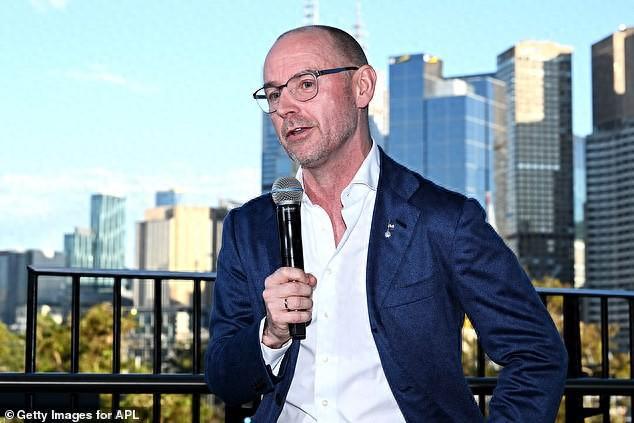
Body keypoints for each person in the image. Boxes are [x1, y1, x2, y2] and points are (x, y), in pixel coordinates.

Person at [205, 25, 567, 422]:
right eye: (274, 94)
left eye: (305, 84)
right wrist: (270, 334)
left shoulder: (443, 219)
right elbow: (225, 379)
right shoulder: (247, 228)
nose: (285, 107)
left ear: (362, 87)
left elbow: (536, 354)